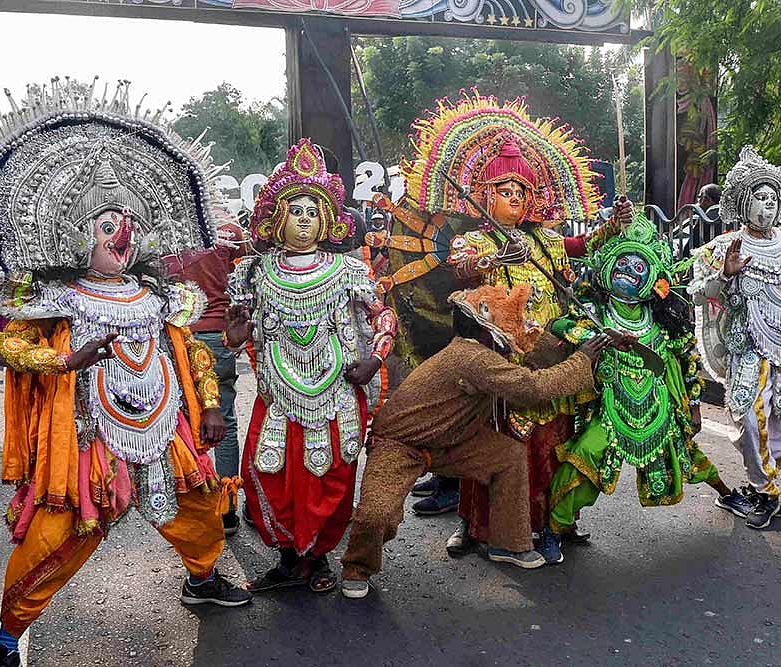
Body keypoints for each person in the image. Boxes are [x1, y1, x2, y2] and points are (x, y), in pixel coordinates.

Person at [0, 79, 252, 667]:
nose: (122, 236)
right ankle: (8, 637)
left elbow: (192, 352)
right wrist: (64, 360)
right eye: (107, 226)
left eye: (127, 223)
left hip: (165, 430)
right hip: (85, 438)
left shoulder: (158, 294)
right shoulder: (59, 297)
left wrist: (207, 403)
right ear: (82, 236)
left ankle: (203, 580)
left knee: (200, 511)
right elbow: (12, 347)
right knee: (55, 536)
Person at [367, 93, 627, 562]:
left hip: (550, 354)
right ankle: (474, 526)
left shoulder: (545, 240)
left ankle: (551, 523)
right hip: (494, 362)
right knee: (490, 447)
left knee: (550, 445)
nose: (514, 201)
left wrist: (615, 226)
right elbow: (460, 269)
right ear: (486, 196)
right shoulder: (474, 239)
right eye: (505, 192)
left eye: (521, 193)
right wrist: (492, 257)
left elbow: (581, 244)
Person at [339, 284, 609, 599]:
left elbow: (533, 350)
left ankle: (509, 543)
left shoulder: (482, 350)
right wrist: (582, 360)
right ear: (485, 326)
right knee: (376, 514)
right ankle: (357, 569)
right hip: (400, 445)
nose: (517, 327)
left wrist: (575, 339)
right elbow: (532, 387)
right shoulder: (474, 358)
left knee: (508, 456)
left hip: (450, 441)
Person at [225, 138, 397, 594]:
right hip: (277, 391)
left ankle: (318, 559)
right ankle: (286, 560)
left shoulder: (349, 270)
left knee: (330, 477)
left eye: (312, 209)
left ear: (327, 221)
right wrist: (237, 335)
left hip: (337, 391)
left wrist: (374, 357)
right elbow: (236, 334)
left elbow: (384, 316)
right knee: (269, 473)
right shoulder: (254, 272)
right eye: (294, 208)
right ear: (276, 219)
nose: (303, 217)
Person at [546, 214, 743, 552]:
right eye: (622, 262)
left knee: (685, 454)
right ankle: (556, 529)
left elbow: (687, 360)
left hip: (657, 405)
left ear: (653, 278)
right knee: (586, 456)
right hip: (609, 408)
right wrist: (594, 336)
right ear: (607, 267)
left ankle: (728, 494)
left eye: (639, 268)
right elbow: (558, 325)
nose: (628, 271)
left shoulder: (662, 320)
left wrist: (694, 407)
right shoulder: (595, 308)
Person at [689, 146, 781, 530]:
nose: (766, 206)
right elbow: (699, 292)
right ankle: (763, 488)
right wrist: (726, 274)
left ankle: (762, 489)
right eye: (759, 198)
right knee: (748, 417)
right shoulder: (724, 247)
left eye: (772, 198)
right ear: (742, 203)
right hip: (750, 345)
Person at [164, 210, 248, 535]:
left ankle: (195, 506)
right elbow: (238, 270)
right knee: (223, 418)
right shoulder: (226, 227)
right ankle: (227, 508)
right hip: (216, 333)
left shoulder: (164, 229)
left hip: (176, 334)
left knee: (181, 423)